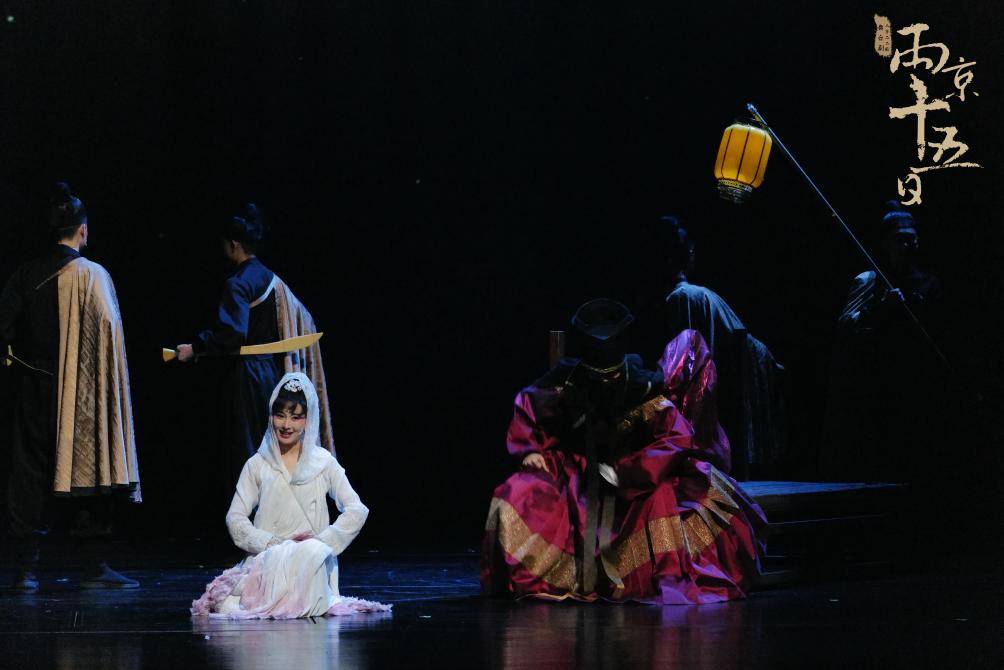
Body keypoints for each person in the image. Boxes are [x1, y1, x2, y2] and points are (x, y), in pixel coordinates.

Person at [481, 299, 765, 605]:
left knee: (662, 503)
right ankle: (552, 575)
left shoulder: (642, 389)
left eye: (611, 378)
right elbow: (529, 404)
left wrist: (626, 471)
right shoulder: (569, 384)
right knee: (518, 493)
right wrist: (528, 448)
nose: (606, 383)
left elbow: (676, 437)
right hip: (577, 473)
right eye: (599, 378)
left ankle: (634, 575)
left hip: (635, 482)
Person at [0, 182, 141, 592]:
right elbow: (108, 333)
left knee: (29, 472)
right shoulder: (94, 274)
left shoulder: (26, 274)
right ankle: (93, 565)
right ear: (82, 230)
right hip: (81, 390)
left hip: (35, 385)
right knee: (88, 463)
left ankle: (26, 571)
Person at [191, 372, 389, 618]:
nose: (286, 425)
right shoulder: (257, 464)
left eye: (296, 417)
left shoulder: (323, 462)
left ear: (308, 420)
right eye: (280, 415)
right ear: (271, 416)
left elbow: (357, 509)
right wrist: (271, 542)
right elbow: (235, 517)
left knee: (306, 561)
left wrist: (323, 541)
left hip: (310, 560)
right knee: (232, 604)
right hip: (269, 558)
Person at [175, 204, 334, 494]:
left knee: (245, 450)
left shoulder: (238, 283)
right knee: (271, 449)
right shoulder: (269, 278)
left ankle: (250, 515)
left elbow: (233, 334)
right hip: (271, 373)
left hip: (246, 376)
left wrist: (196, 348)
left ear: (233, 244)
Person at [818, 201, 945, 481]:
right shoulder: (871, 281)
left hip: (918, 375)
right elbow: (848, 326)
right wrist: (882, 308)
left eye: (912, 239)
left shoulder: (929, 283)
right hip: (879, 375)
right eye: (901, 239)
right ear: (886, 243)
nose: (908, 245)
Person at [655, 216, 786, 480]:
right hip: (742, 355)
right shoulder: (687, 294)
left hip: (747, 358)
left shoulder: (683, 296)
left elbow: (684, 360)